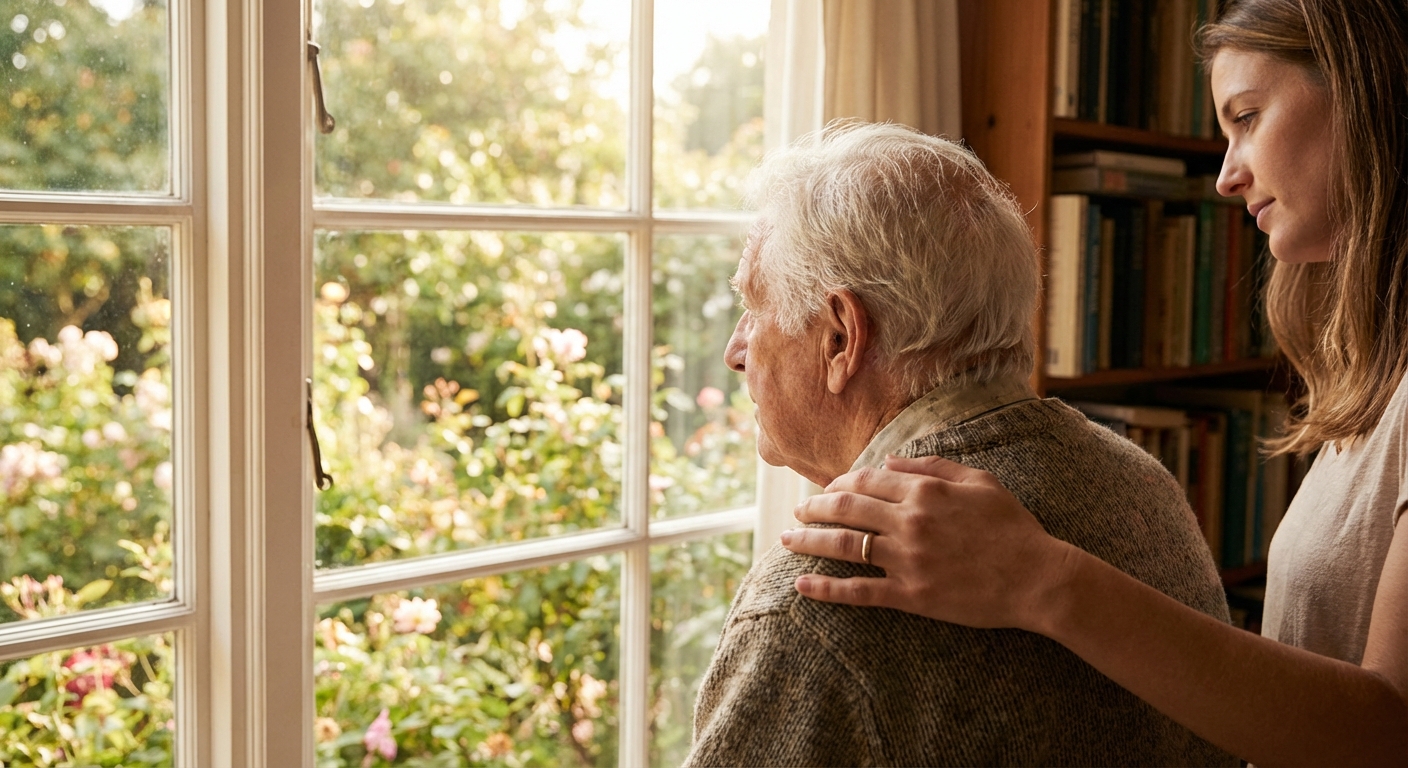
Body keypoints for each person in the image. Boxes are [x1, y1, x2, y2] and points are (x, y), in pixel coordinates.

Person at [780, 1, 1408, 765]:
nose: (1226, 175)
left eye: (1246, 117)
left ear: (1367, 90)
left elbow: (1392, 731)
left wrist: (1039, 576)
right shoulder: (1377, 381)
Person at [684, 121, 1234, 767]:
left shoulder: (821, 591)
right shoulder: (1140, 481)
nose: (736, 351)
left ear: (840, 338)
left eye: (755, 308)